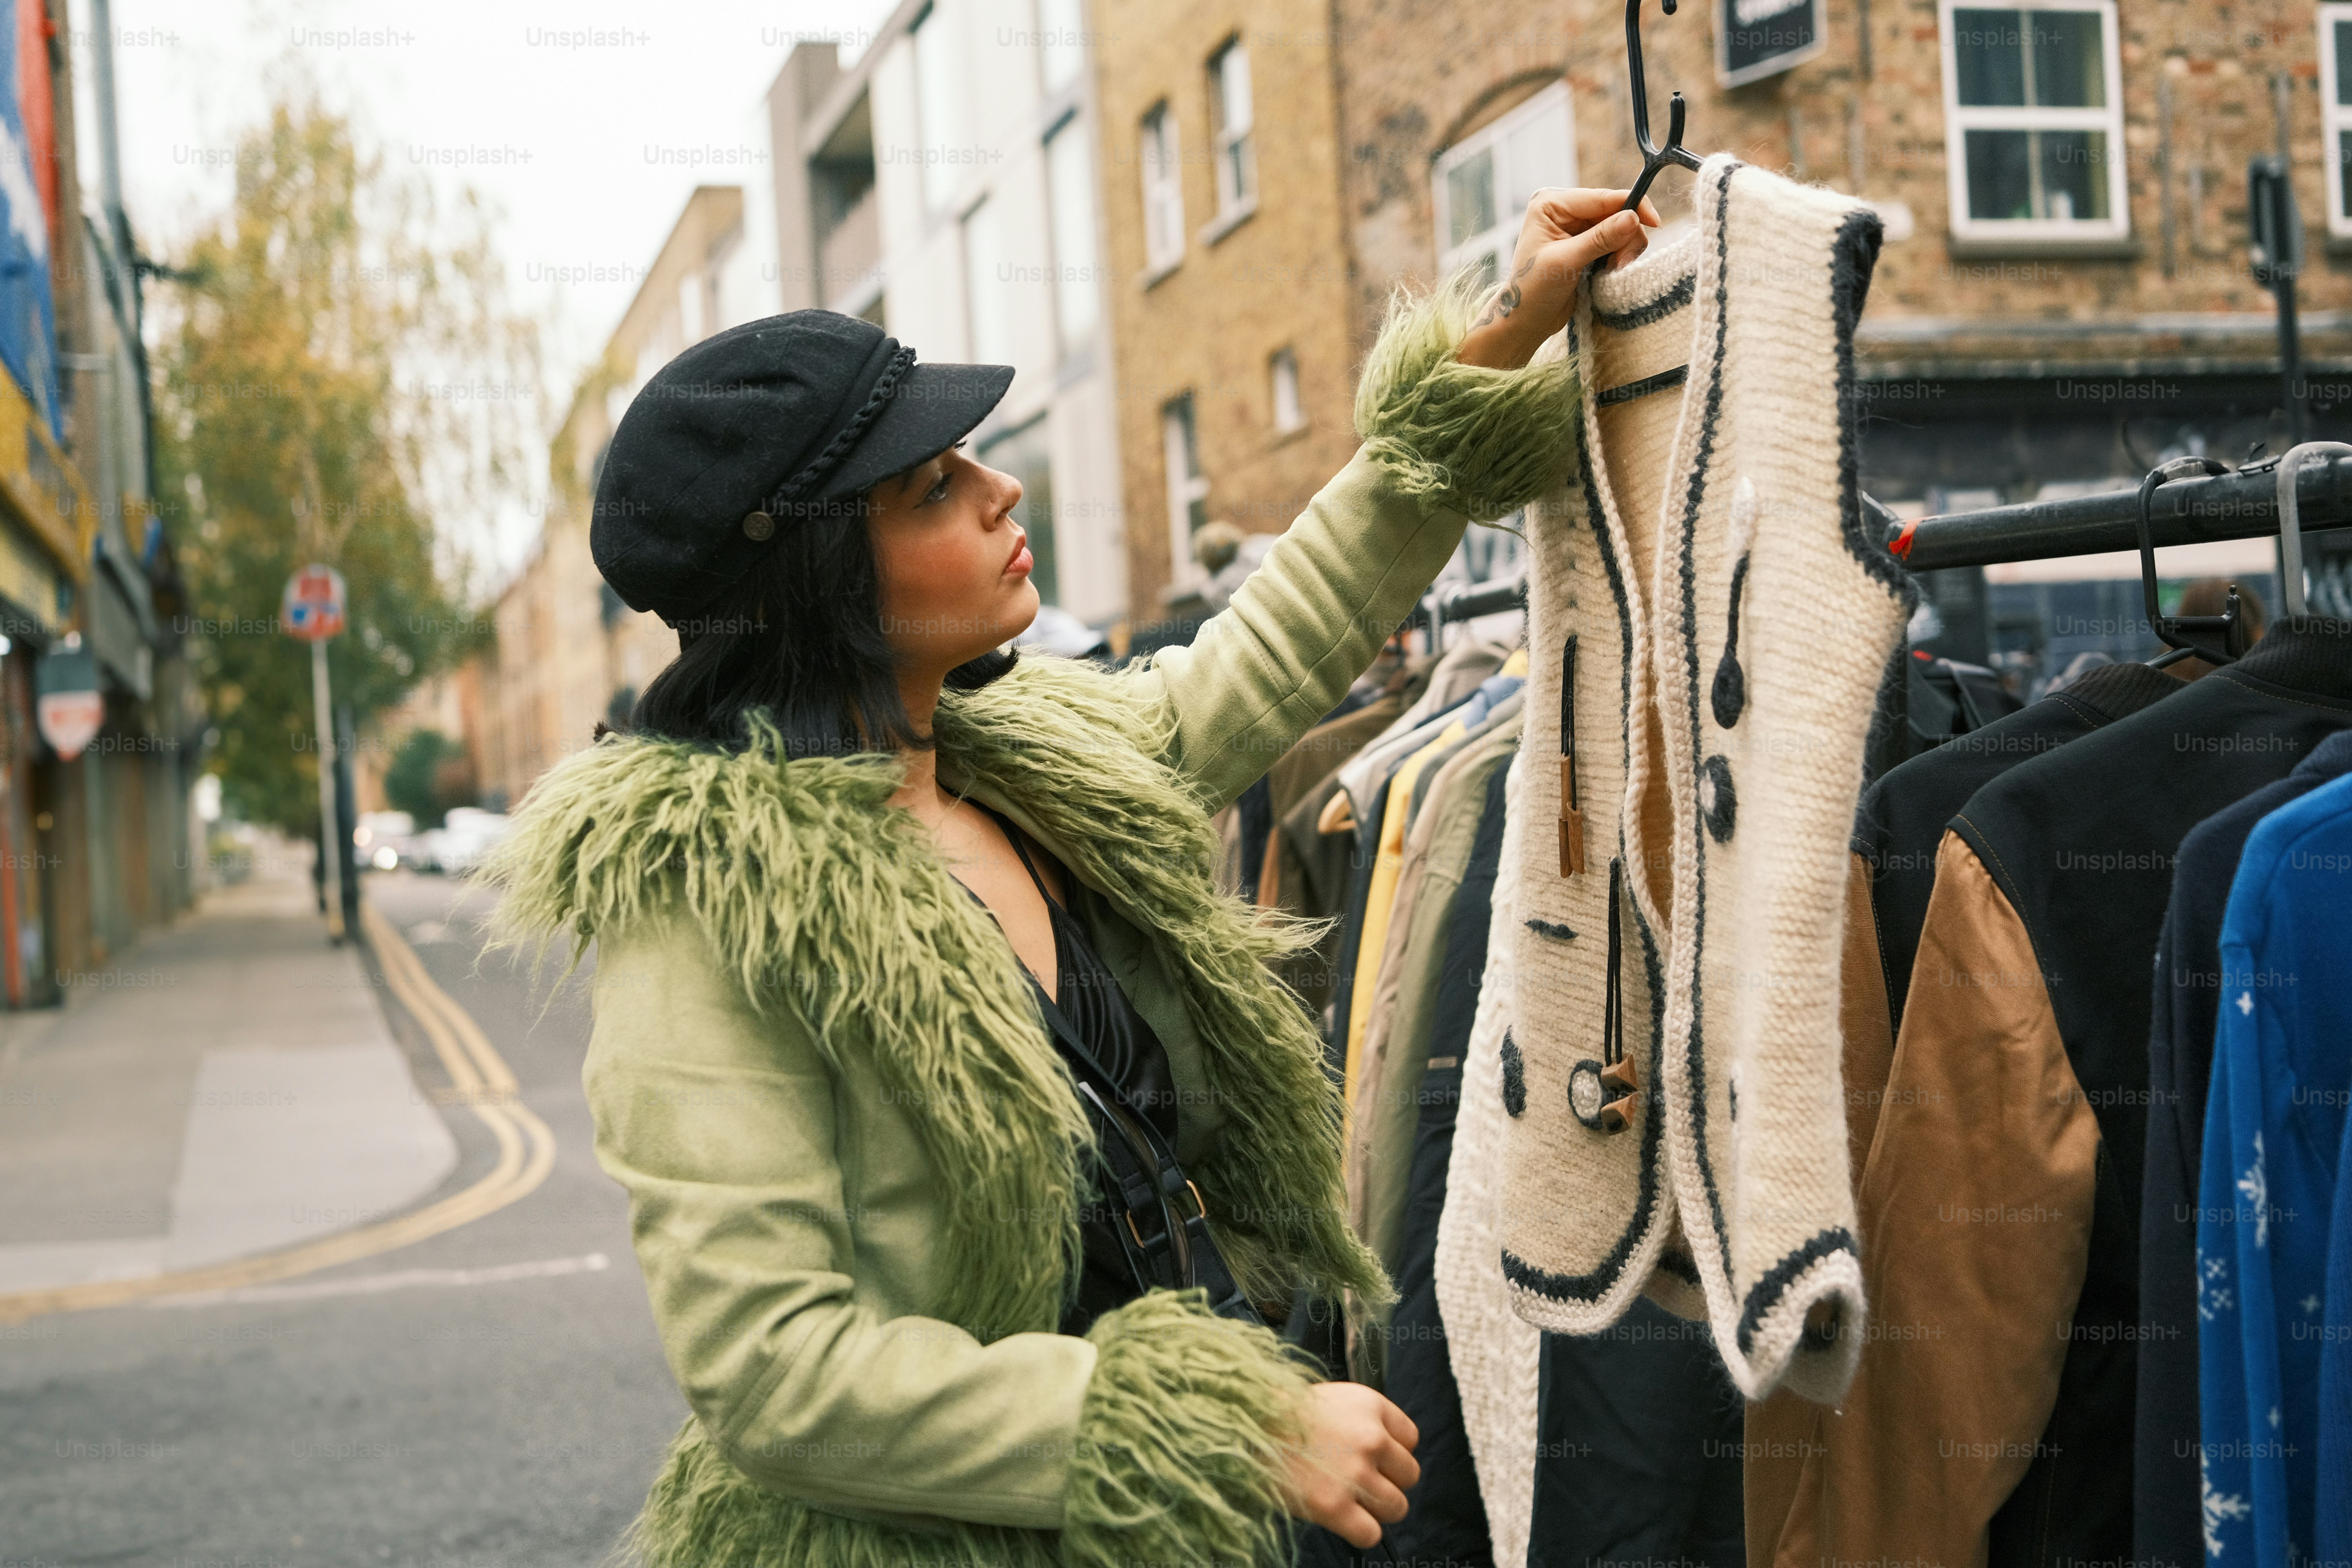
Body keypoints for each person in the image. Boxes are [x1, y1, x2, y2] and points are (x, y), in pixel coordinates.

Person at [484, 188, 1657, 1568]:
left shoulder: (1038, 766)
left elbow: (1270, 646)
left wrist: (1492, 343)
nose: (1001, 491)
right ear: (813, 576)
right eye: (933, 488)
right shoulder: (703, 912)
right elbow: (776, 1371)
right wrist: (1214, 1427)